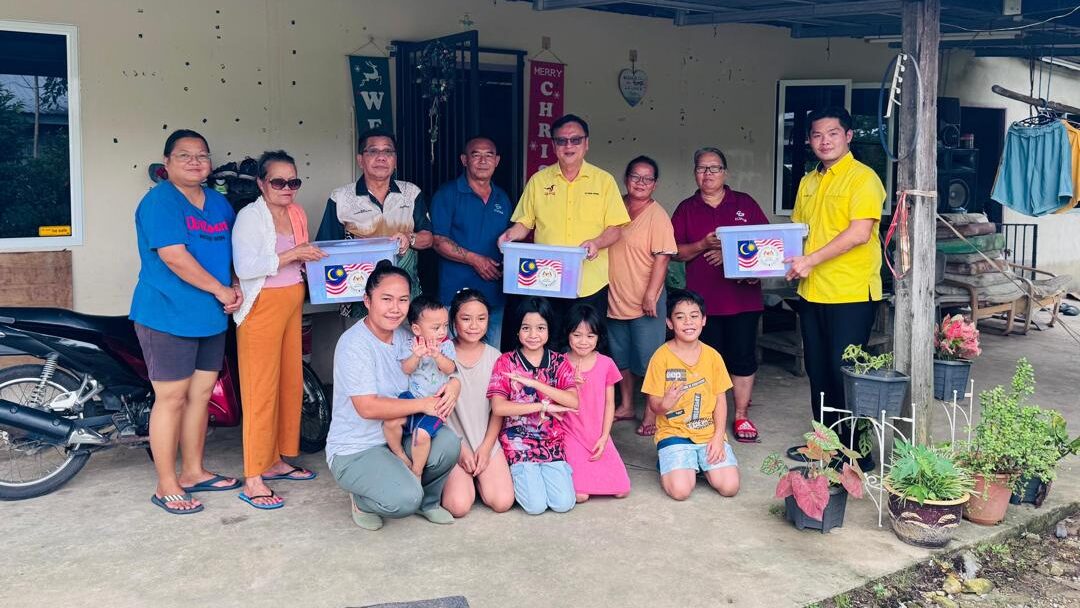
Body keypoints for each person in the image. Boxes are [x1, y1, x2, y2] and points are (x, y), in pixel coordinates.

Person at [131, 129, 243, 515]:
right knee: (172, 398)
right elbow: (174, 257)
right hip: (167, 314)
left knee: (201, 396)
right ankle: (166, 483)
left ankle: (194, 471)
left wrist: (235, 285)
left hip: (211, 316)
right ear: (167, 164)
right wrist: (222, 290)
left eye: (202, 155)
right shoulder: (160, 202)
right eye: (184, 156)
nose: (195, 162)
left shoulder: (218, 204)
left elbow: (234, 251)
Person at [326, 261, 461, 530]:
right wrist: (423, 404)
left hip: (400, 433)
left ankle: (428, 502)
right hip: (357, 447)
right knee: (404, 499)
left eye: (402, 300)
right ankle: (362, 500)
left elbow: (441, 367)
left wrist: (455, 385)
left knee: (448, 443)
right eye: (386, 299)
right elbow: (367, 407)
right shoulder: (354, 345)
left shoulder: (407, 337)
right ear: (367, 300)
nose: (395, 308)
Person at [785, 107, 886, 468]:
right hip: (812, 291)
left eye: (832, 133)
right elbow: (796, 233)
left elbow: (860, 233)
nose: (824, 141)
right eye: (816, 135)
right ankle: (825, 446)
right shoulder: (808, 181)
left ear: (848, 136)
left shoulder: (863, 179)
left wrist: (809, 261)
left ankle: (859, 453)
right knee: (818, 370)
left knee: (846, 373)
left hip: (851, 292)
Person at [231, 150, 326, 510]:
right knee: (260, 389)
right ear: (261, 183)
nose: (287, 188)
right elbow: (246, 265)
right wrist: (293, 254)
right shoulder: (249, 217)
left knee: (289, 382)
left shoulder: (296, 212)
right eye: (278, 182)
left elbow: (305, 255)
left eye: (293, 182)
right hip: (261, 306)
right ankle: (253, 476)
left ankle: (275, 460)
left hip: (292, 301)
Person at [498, 114, 630, 347]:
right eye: (562, 141)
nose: (569, 146)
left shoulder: (604, 181)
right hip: (547, 279)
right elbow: (525, 223)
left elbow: (616, 228)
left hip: (589, 281)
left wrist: (597, 243)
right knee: (547, 344)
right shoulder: (538, 181)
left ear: (586, 144)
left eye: (575, 140)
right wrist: (510, 235)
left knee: (587, 346)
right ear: (553, 146)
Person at [672, 148, 770, 444]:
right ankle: (707, 416)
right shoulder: (686, 208)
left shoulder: (744, 203)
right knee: (704, 362)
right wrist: (702, 244)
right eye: (702, 169)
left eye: (714, 168)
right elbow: (674, 251)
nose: (708, 174)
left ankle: (740, 415)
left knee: (742, 358)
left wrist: (730, 256)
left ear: (725, 172)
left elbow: (767, 247)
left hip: (742, 299)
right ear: (695, 173)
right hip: (702, 304)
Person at [316, 127, 433, 317]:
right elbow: (325, 248)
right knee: (361, 344)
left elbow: (428, 238)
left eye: (388, 151)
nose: (381, 157)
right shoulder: (341, 197)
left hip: (405, 294)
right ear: (360, 160)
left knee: (406, 344)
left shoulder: (411, 193)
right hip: (357, 294)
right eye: (373, 151)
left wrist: (408, 238)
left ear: (395, 160)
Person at [642, 290, 740, 501]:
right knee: (681, 491)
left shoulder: (713, 356)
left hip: (708, 434)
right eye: (680, 317)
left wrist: (718, 437)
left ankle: (697, 464)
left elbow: (720, 400)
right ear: (669, 323)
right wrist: (665, 403)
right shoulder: (660, 357)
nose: (688, 322)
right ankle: (673, 462)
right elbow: (654, 404)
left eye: (694, 316)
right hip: (674, 434)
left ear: (703, 320)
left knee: (729, 487)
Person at [487, 297, 580, 515]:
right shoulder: (506, 361)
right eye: (526, 328)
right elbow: (499, 407)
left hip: (552, 441)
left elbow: (573, 401)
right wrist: (541, 407)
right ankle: (516, 474)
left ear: (549, 330)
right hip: (518, 443)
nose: (533, 335)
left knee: (563, 503)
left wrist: (536, 383)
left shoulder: (559, 361)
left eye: (540, 328)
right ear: (517, 330)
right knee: (535, 506)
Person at [607, 156, 677, 437]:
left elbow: (663, 258)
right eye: (635, 176)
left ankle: (650, 411)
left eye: (647, 179)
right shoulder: (616, 207)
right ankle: (626, 406)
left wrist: (651, 294)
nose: (641, 183)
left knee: (649, 360)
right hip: (615, 295)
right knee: (620, 356)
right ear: (626, 179)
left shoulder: (657, 215)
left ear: (655, 184)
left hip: (645, 299)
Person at [431, 136, 512, 347]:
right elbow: (438, 241)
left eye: (489, 155)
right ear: (464, 160)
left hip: (494, 293)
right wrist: (475, 259)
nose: (483, 160)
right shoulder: (447, 194)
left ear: (497, 161)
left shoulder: (502, 198)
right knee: (452, 357)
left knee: (491, 357)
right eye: (476, 155)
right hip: (455, 293)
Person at [440, 289, 515, 516]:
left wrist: (486, 447)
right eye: (466, 318)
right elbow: (435, 410)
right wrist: (459, 450)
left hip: (486, 441)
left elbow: (497, 411)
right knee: (458, 507)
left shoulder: (496, 357)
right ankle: (466, 481)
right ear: (453, 320)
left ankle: (480, 478)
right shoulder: (442, 356)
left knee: (502, 502)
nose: (474, 325)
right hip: (454, 443)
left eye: (481, 319)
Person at [561, 305, 631, 503]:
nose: (583, 342)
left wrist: (604, 436)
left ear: (599, 337)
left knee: (622, 490)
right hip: (571, 434)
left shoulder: (606, 363)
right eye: (577, 335)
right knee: (581, 495)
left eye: (590, 336)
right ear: (568, 334)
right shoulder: (559, 362)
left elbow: (610, 404)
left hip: (598, 435)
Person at [383, 296, 457, 478]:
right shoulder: (411, 345)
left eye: (445, 326)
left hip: (435, 403)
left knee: (421, 435)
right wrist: (416, 356)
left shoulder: (446, 345)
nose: (442, 331)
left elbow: (450, 368)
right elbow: (406, 369)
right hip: (411, 398)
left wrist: (438, 356)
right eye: (436, 327)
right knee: (390, 422)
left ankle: (417, 470)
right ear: (416, 329)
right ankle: (400, 454)